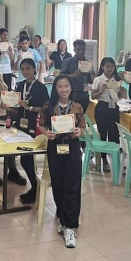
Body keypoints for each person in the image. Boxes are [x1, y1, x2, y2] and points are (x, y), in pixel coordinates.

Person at [38, 74, 85, 248]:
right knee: (58, 184)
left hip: (72, 146)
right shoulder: (48, 106)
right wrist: (46, 133)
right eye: (60, 86)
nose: (63, 89)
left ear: (71, 88)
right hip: (55, 146)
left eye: (66, 86)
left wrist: (79, 132)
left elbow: (82, 125)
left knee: (72, 184)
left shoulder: (77, 106)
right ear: (55, 88)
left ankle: (70, 227)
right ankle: (63, 219)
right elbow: (41, 124)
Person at [12, 58, 50, 203]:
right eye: (23, 69)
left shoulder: (40, 87)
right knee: (25, 157)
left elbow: (46, 108)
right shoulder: (20, 85)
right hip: (21, 124)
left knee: (26, 158)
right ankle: (35, 186)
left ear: (34, 69)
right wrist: (7, 104)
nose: (26, 71)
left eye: (28, 68)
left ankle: (35, 187)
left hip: (35, 124)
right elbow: (15, 103)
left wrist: (30, 108)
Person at [91, 57, 127, 172]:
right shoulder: (98, 79)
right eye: (107, 66)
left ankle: (115, 160)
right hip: (102, 108)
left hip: (114, 108)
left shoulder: (117, 80)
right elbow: (92, 96)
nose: (110, 68)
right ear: (102, 67)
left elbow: (120, 97)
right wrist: (101, 91)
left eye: (112, 66)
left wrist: (123, 93)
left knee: (114, 135)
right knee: (103, 135)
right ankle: (104, 160)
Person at [61, 40, 95, 114]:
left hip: (84, 96)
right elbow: (60, 78)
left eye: (82, 49)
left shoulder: (87, 63)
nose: (80, 51)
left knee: (82, 118)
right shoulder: (68, 61)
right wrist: (72, 75)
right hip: (71, 95)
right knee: (71, 118)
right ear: (74, 50)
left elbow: (90, 81)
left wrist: (92, 77)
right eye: (78, 49)